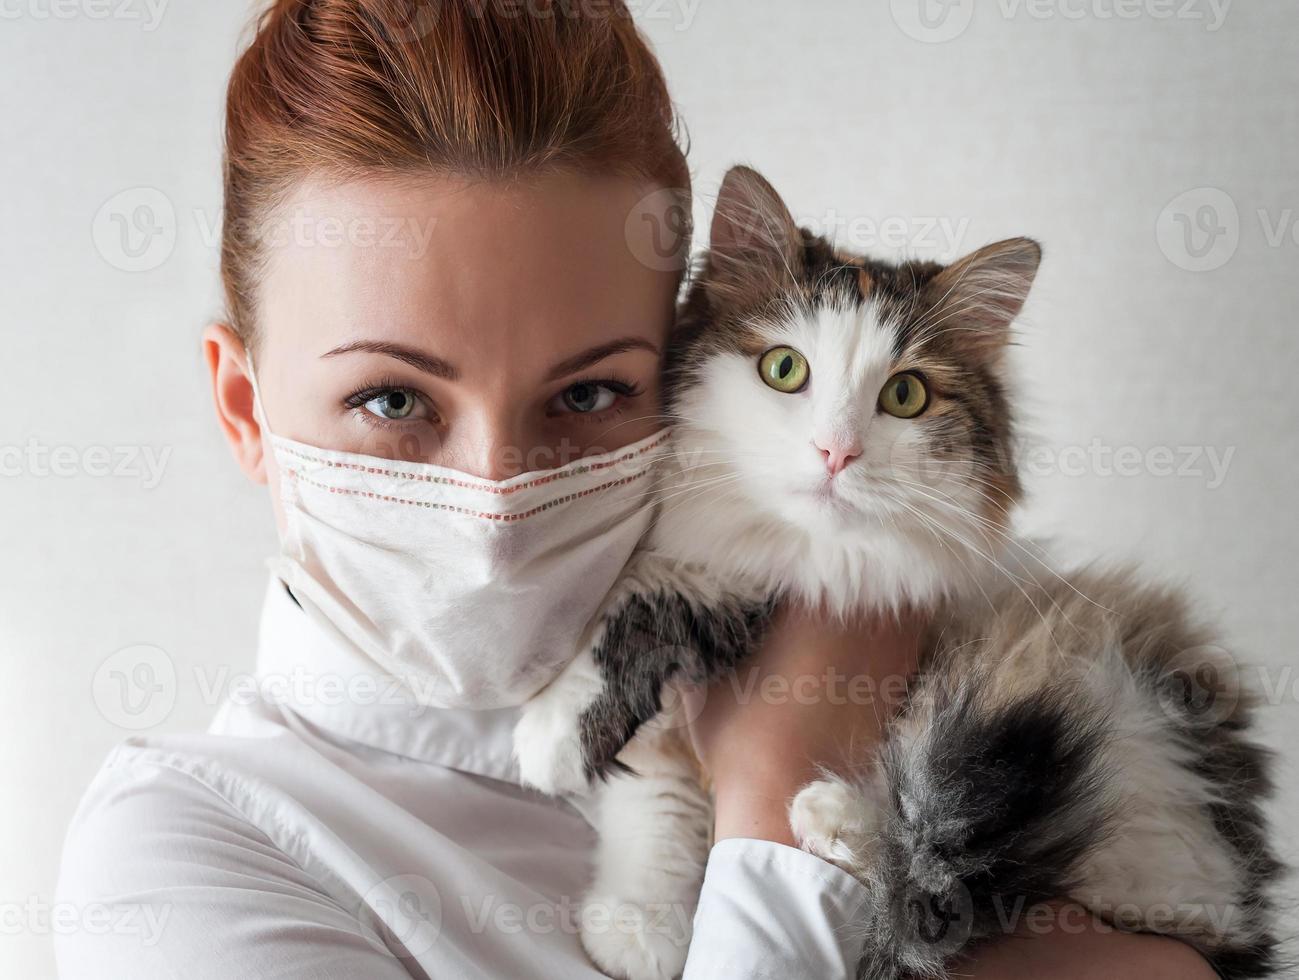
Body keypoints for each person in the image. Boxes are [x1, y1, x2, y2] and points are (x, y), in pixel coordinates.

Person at [54, 2, 1218, 977]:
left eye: (587, 394)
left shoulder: (1016, 745)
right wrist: (783, 793)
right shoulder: (175, 861)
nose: (496, 500)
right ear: (249, 410)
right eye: (394, 401)